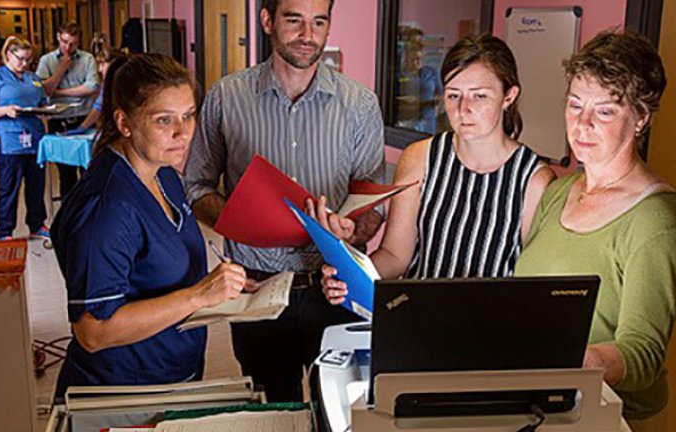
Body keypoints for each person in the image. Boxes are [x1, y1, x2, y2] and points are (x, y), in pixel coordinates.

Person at [183, 0, 385, 402]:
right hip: (258, 288)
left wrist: (353, 230)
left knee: (341, 408)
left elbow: (372, 206)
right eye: (294, 20)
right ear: (267, 21)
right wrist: (244, 222)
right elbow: (196, 186)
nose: (308, 35)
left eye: (319, 22)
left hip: (335, 287)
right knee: (273, 407)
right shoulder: (226, 97)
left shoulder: (360, 105)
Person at [514, 31, 676, 430]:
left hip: (615, 415)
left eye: (605, 112)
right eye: (575, 105)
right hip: (545, 400)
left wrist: (568, 360)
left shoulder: (656, 220)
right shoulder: (558, 192)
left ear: (641, 117)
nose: (582, 124)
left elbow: (643, 353)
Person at [51, 53, 247, 399]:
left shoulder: (165, 175)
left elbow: (159, 275)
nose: (183, 133)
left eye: (188, 115)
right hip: (122, 393)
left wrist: (224, 287)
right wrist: (199, 295)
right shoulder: (107, 207)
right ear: (124, 123)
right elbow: (93, 331)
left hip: (171, 375)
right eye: (163, 120)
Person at [323, 34, 554, 302]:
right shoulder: (419, 158)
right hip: (416, 315)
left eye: (479, 96)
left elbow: (528, 283)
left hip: (488, 321)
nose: (463, 109)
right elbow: (395, 256)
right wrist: (350, 278)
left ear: (508, 96)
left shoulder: (534, 179)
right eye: (454, 95)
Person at [0, 36, 49, 240]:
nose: (25, 63)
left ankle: (37, 225)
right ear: (8, 55)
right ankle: (5, 231)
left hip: (35, 140)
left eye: (28, 60)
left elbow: (42, 101)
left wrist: (46, 110)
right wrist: (6, 110)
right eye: (21, 59)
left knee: (36, 187)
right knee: (9, 188)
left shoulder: (33, 78)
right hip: (11, 142)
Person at [36, 21, 100, 198]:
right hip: (59, 120)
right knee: (66, 174)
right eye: (64, 42)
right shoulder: (47, 60)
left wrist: (59, 92)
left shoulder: (87, 59)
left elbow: (91, 87)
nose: (68, 47)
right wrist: (61, 69)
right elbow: (44, 90)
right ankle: (69, 209)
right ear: (58, 37)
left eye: (73, 44)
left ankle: (88, 209)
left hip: (84, 118)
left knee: (89, 170)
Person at [64, 48, 127, 135]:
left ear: (113, 63)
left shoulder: (126, 82)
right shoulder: (106, 84)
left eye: (103, 64)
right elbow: (98, 107)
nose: (100, 69)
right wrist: (82, 127)